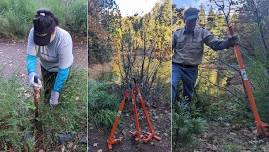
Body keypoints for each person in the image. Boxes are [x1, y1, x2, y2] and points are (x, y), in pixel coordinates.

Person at [172, 8, 239, 109]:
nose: (192, 22)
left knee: (188, 95)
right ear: (185, 20)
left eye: (194, 20)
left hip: (192, 69)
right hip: (176, 67)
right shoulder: (176, 34)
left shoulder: (202, 33)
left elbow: (215, 45)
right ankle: (170, 109)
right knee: (171, 84)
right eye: (190, 20)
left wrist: (228, 43)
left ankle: (183, 115)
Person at [26, 9, 73, 106]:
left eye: (44, 38)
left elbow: (63, 70)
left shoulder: (64, 38)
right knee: (47, 90)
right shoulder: (33, 32)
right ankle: (46, 107)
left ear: (53, 30)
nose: (42, 43)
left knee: (58, 95)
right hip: (45, 66)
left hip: (61, 69)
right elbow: (31, 57)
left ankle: (57, 109)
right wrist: (32, 73)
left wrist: (55, 92)